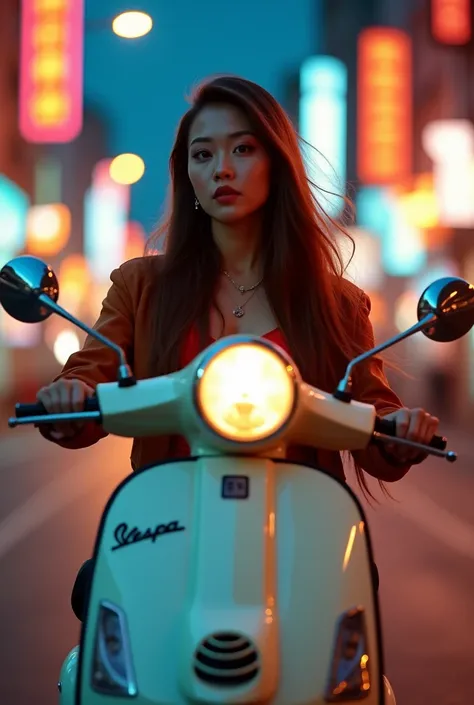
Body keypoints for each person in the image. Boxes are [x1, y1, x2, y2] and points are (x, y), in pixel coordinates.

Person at [37, 75, 439, 620]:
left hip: (300, 529)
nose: (221, 168)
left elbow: (373, 413)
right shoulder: (141, 285)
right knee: (103, 606)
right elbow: (89, 378)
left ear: (277, 163)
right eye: (203, 155)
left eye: (243, 149)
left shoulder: (336, 302)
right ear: (189, 176)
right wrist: (69, 396)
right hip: (165, 524)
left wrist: (402, 432)